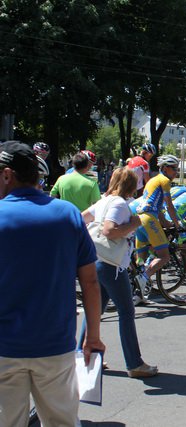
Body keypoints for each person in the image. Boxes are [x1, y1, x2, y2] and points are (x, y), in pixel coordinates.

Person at [0, 141, 105, 426]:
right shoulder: (67, 214)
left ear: (7, 175)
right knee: (62, 421)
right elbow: (91, 281)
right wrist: (92, 336)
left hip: (5, 349)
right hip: (54, 346)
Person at [79, 167, 158, 377]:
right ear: (132, 186)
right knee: (127, 311)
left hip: (95, 260)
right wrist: (133, 223)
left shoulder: (104, 201)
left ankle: (85, 356)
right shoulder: (120, 204)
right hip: (111, 265)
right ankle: (134, 364)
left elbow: (80, 218)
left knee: (95, 311)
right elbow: (109, 231)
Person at [135, 154, 182, 291]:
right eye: (174, 169)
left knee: (141, 259)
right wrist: (177, 224)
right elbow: (169, 206)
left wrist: (167, 223)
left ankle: (138, 293)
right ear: (166, 168)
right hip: (149, 219)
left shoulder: (153, 180)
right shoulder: (165, 181)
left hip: (140, 219)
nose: (176, 172)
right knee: (164, 256)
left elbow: (159, 209)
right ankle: (143, 278)